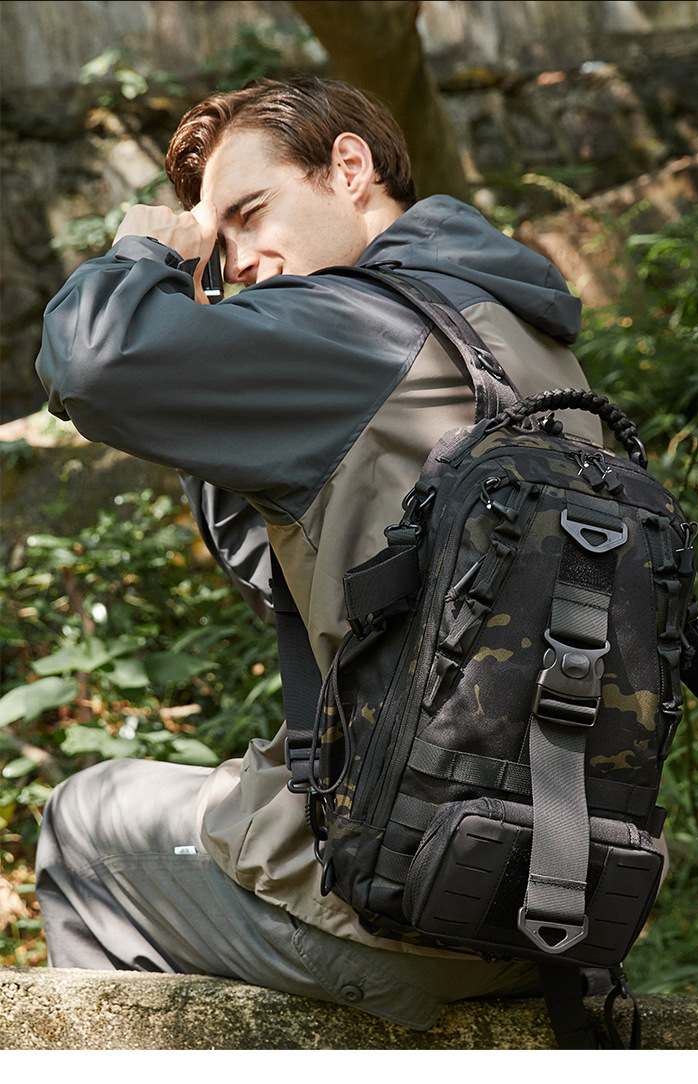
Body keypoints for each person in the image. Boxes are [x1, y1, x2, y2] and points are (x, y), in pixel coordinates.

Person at [34, 76, 605, 1031]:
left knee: (84, 819)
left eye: (248, 212)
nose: (238, 261)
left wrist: (150, 249)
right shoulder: (525, 341)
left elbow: (90, 357)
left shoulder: (350, 327)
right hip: (570, 900)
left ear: (348, 167)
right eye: (217, 243)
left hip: (402, 902)